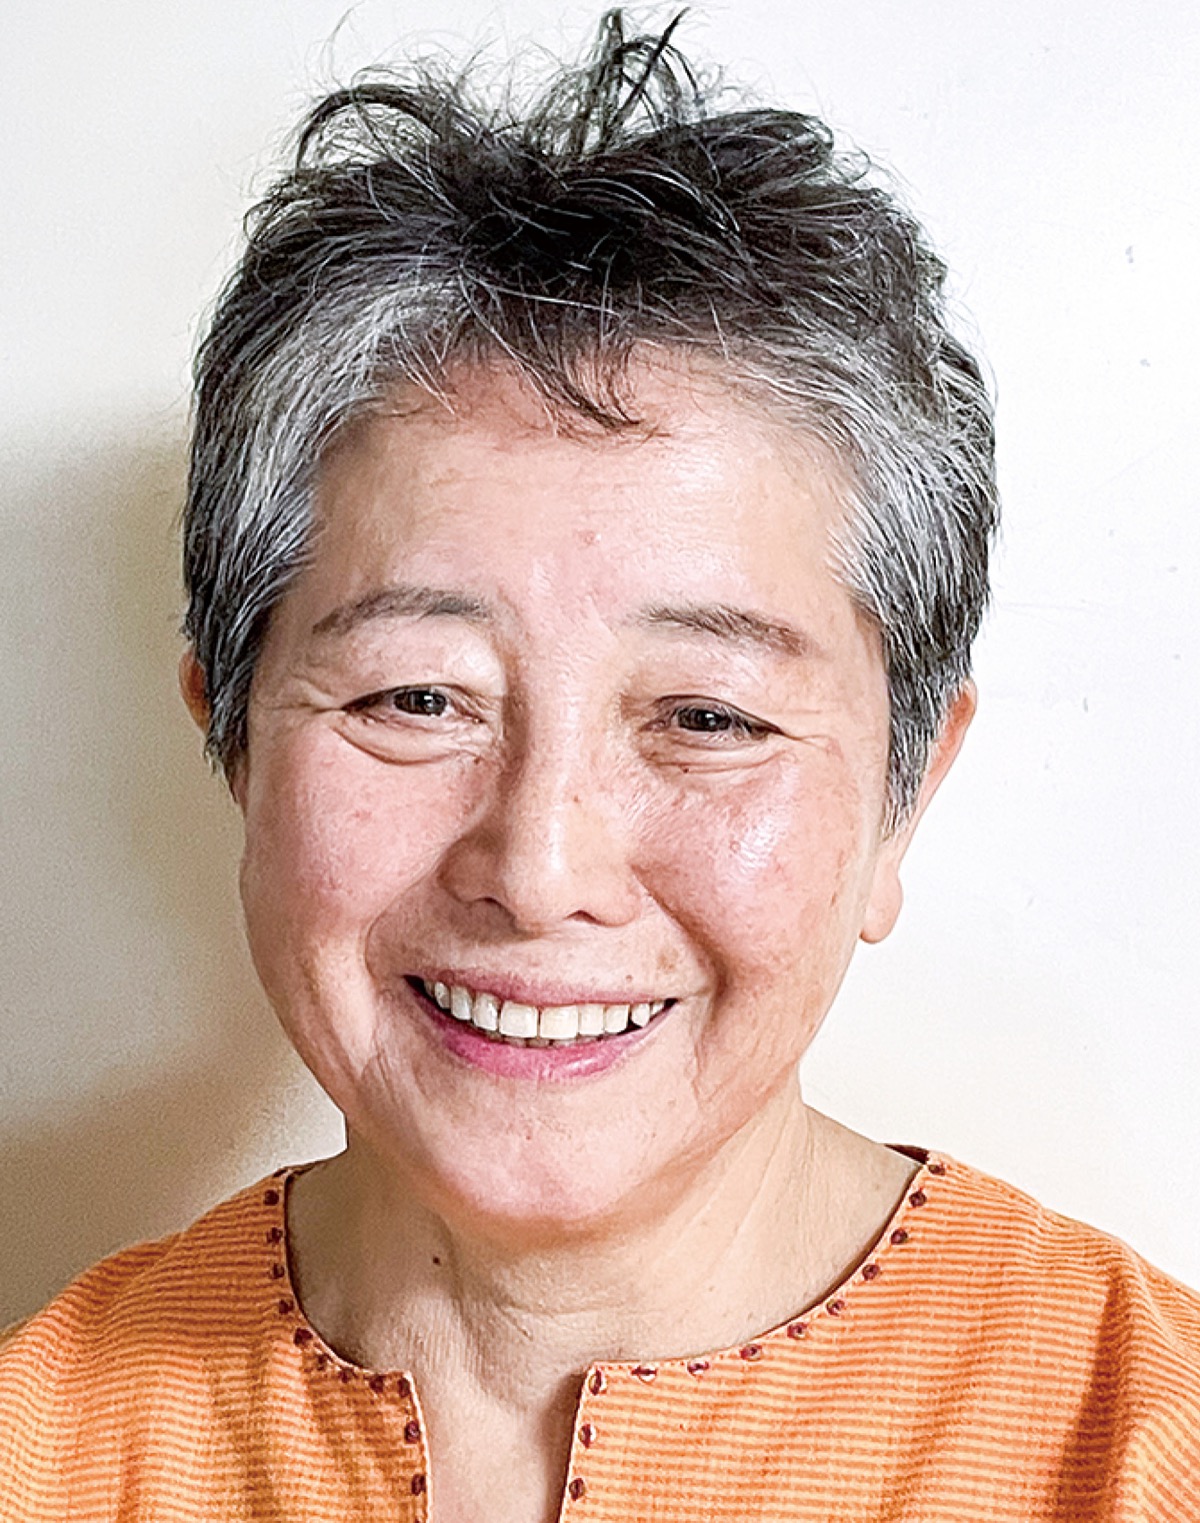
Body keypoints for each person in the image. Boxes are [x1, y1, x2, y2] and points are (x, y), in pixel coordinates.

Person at [2, 12, 1197, 1520]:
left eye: (707, 718)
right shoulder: (46, 1451)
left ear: (908, 792)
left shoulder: (1137, 1448)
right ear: (231, 736)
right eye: (418, 698)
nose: (540, 869)